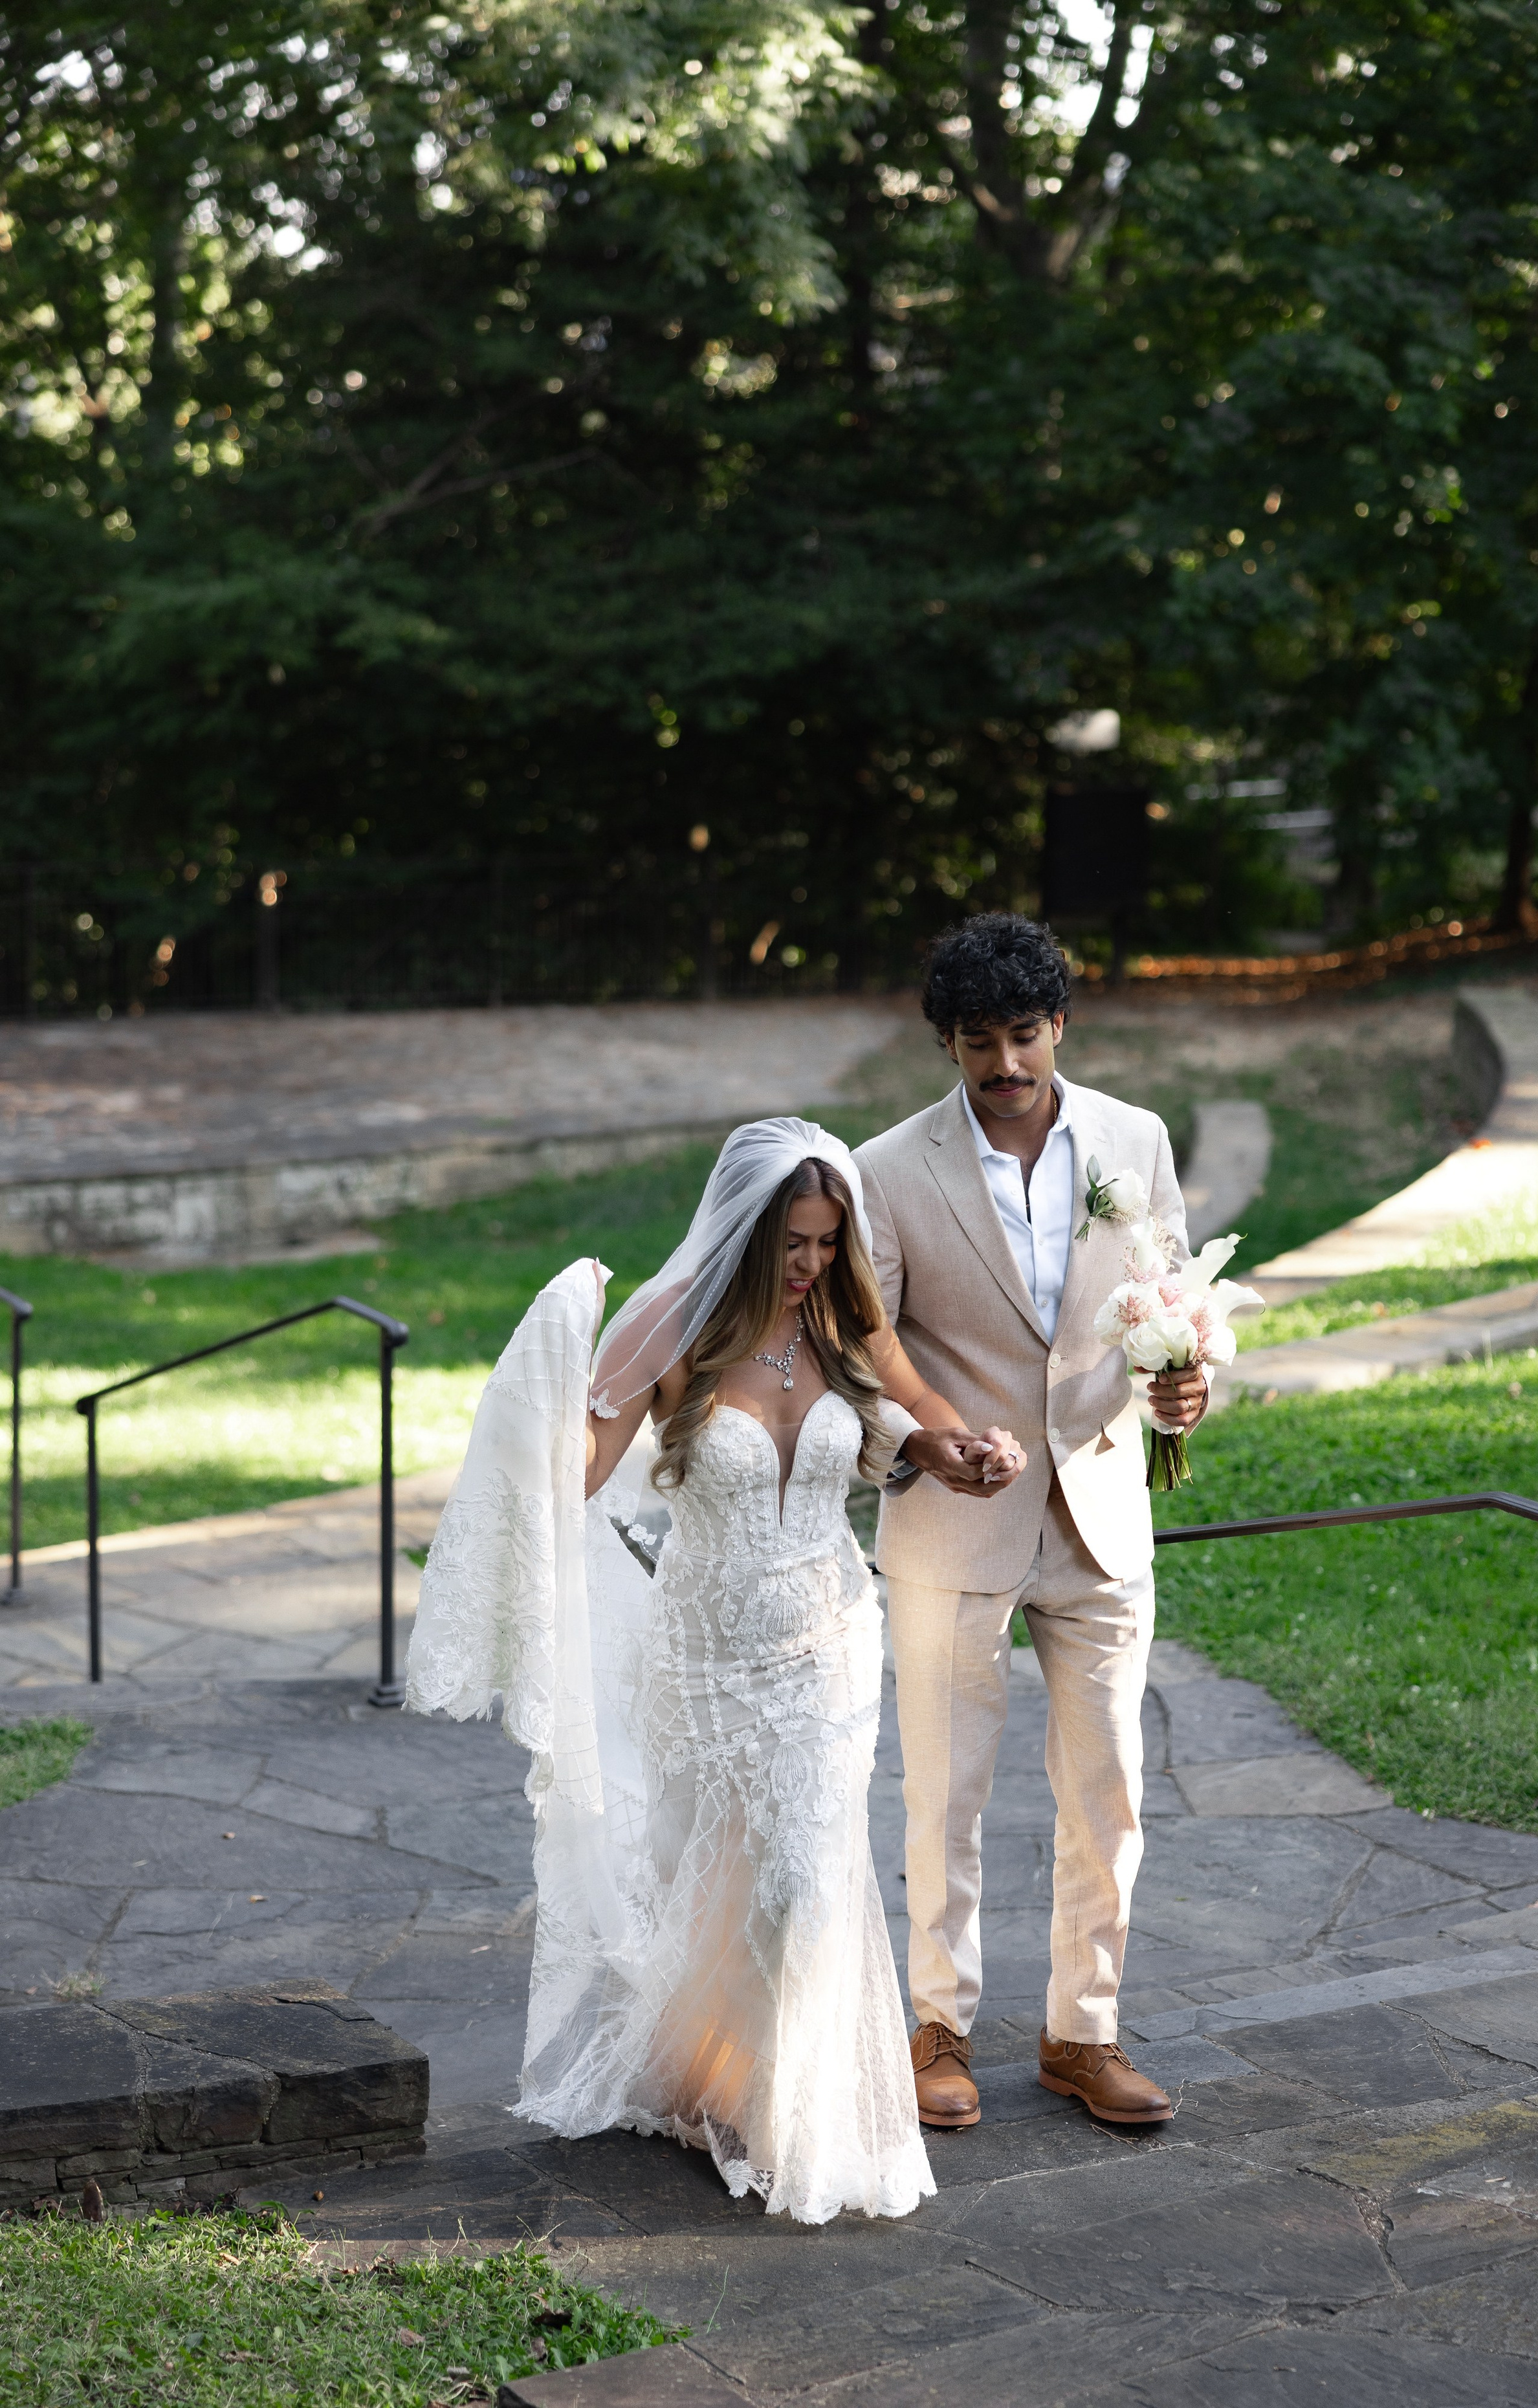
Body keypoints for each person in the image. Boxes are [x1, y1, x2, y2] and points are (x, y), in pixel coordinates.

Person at [404, 1117, 1025, 2224]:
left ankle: (791, 2109)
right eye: (796, 1241)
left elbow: (919, 1409)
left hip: (831, 1638)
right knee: (729, 1872)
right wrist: (556, 1392)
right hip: (708, 1651)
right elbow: (580, 1478)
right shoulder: (671, 1328)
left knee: (804, 1875)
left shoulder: (838, 1314)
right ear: (744, 1229)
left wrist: (966, 1449)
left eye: (831, 1241)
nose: (813, 1263)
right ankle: (715, 2077)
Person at [853, 913, 1207, 2132]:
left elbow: (1175, 1300)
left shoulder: (1135, 1138)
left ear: (1060, 1023)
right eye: (975, 1043)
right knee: (943, 1793)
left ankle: (1083, 2034)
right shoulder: (887, 1169)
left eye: (1021, 1035)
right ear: (946, 1046)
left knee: (1108, 1792)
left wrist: (1191, 1385)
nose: (1002, 1064)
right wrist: (920, 1440)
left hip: (1104, 1510)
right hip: (956, 1521)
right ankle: (937, 2026)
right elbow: (865, 1350)